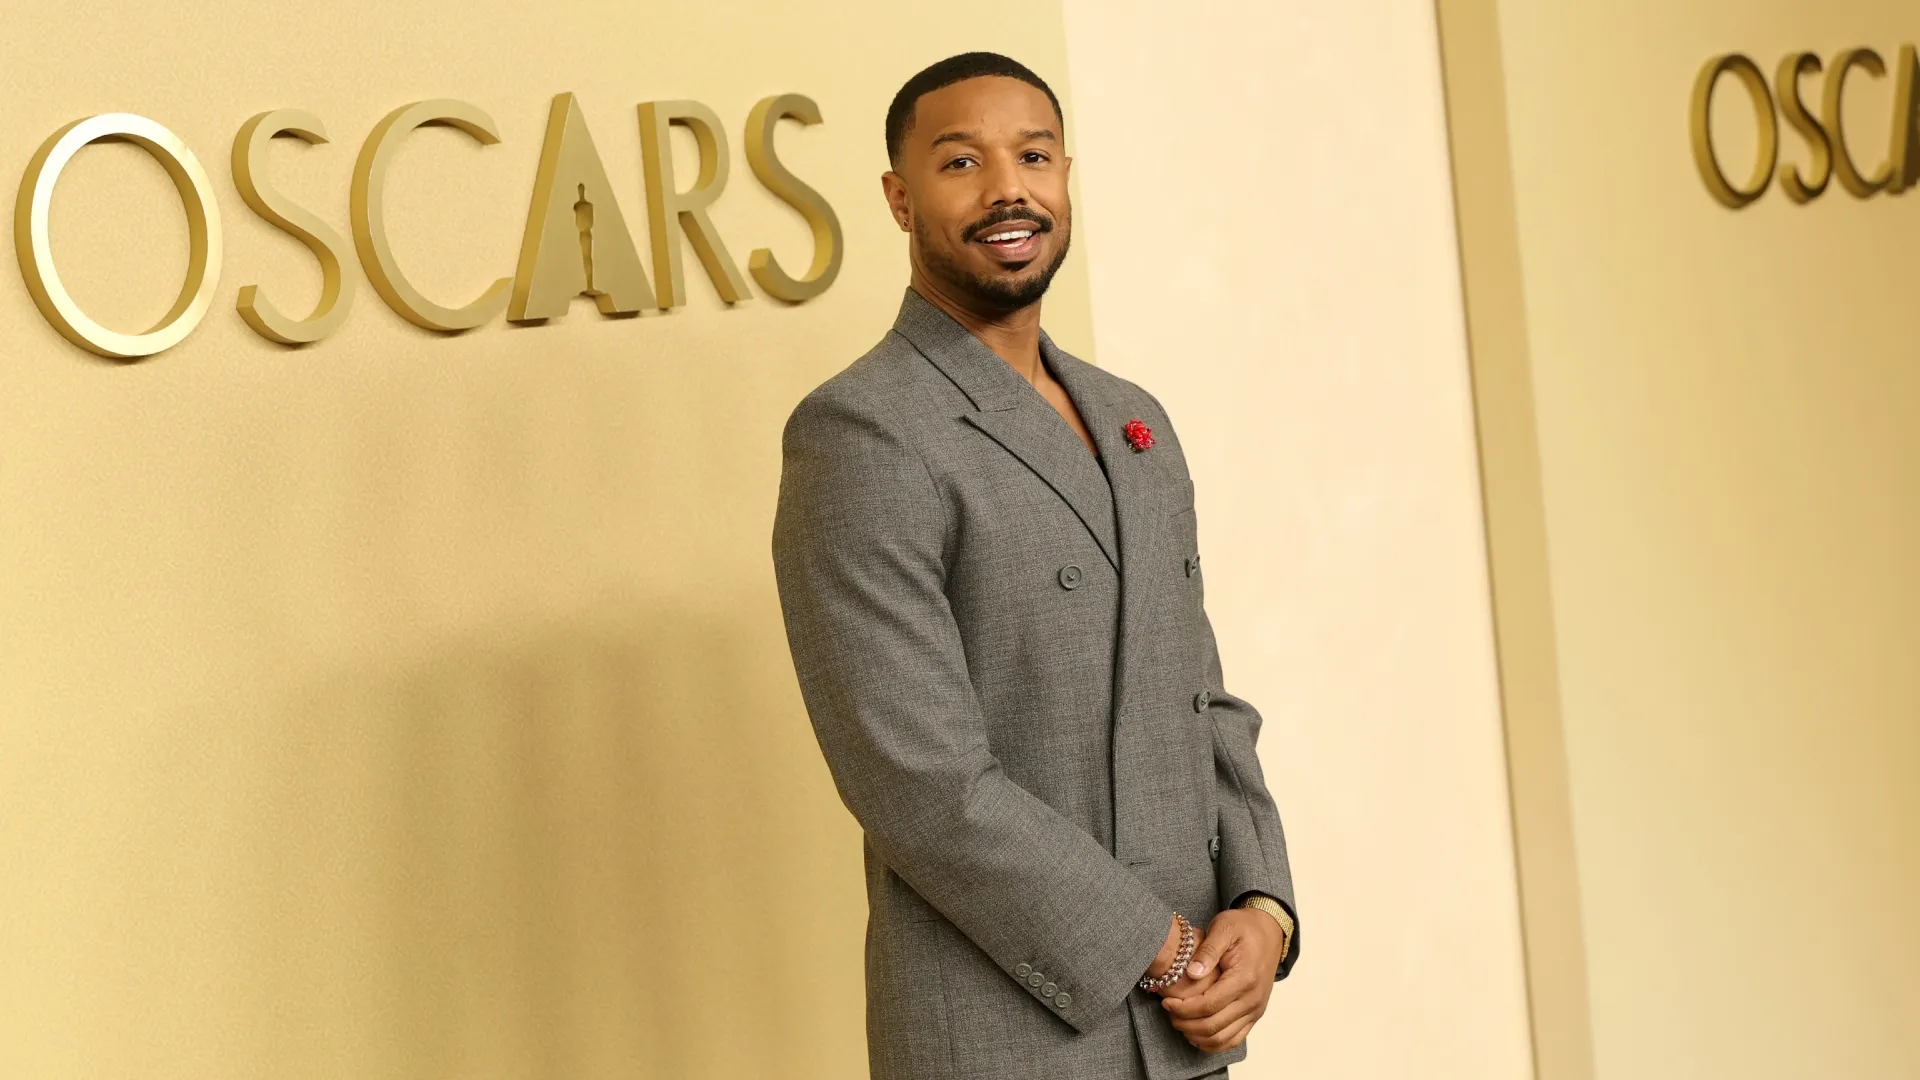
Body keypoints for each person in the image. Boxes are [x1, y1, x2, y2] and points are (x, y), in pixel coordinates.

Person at [771, 51, 1298, 1080]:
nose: (1008, 188)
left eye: (1035, 155)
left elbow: (1200, 697)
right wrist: (1164, 950)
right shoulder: (861, 433)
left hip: (1188, 1031)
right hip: (1007, 1031)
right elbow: (919, 782)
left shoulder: (1133, 418)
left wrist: (1264, 907)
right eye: (961, 162)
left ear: (1064, 178)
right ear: (899, 196)